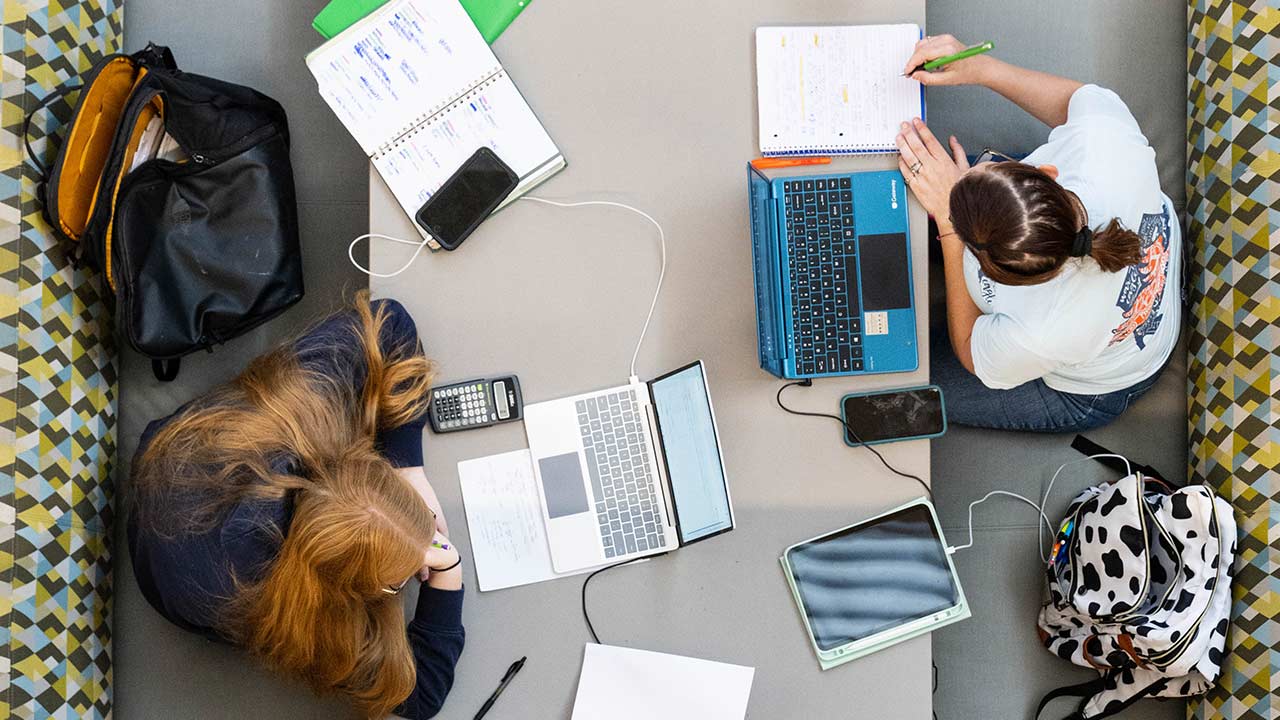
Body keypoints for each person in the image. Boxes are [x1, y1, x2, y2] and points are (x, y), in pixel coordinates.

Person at [128, 293, 462, 719]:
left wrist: (409, 471)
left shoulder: (308, 402)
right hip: (180, 575)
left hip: (182, 458)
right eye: (394, 584)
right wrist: (449, 575)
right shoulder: (288, 608)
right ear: (336, 588)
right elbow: (418, 694)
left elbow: (390, 320)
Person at [895, 35, 1181, 432]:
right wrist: (984, 70)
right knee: (916, 173)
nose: (976, 169)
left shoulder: (1041, 332)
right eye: (991, 168)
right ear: (1045, 172)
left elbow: (969, 349)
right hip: (1132, 253)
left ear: (994, 273)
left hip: (1100, 382)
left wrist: (947, 224)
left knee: (899, 385)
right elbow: (1074, 102)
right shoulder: (1108, 146)